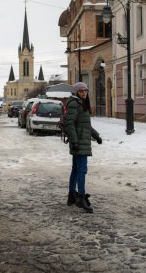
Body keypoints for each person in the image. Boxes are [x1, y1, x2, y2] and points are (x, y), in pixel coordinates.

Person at [64, 82, 102, 213]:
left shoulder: (81, 104)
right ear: (76, 92)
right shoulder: (74, 103)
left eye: (85, 91)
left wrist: (96, 136)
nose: (84, 93)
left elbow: (86, 126)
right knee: (82, 170)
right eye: (81, 91)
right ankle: (80, 197)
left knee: (76, 169)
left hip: (81, 141)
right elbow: (69, 123)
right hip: (79, 142)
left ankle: (71, 196)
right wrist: (74, 141)